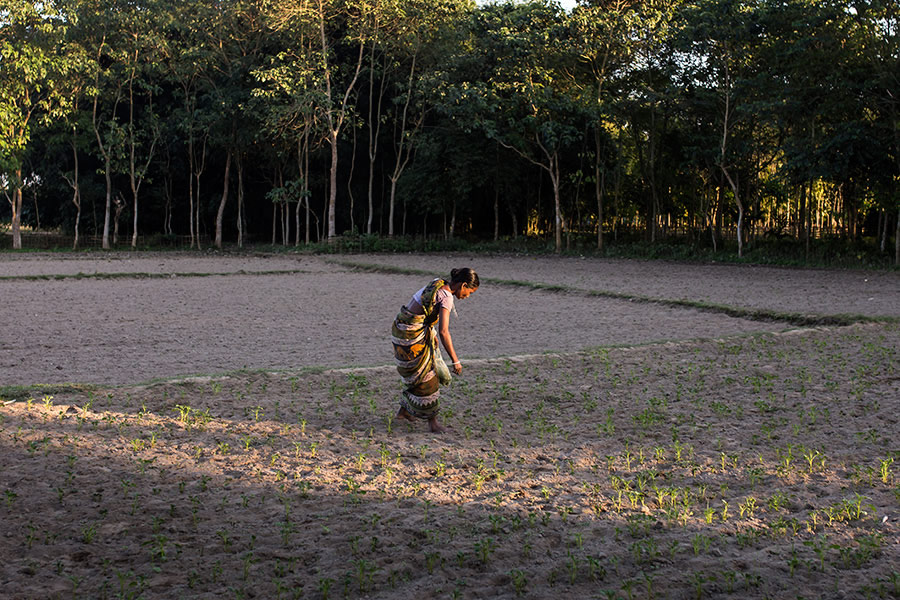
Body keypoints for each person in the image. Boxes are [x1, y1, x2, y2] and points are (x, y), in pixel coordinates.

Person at [391, 267, 479, 433]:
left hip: (402, 329)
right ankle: (433, 423)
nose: (467, 296)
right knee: (428, 377)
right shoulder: (446, 297)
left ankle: (402, 413)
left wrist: (430, 332)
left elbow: (425, 310)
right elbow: (444, 332)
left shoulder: (437, 283)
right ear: (463, 285)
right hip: (411, 335)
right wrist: (455, 360)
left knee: (416, 374)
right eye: (469, 292)